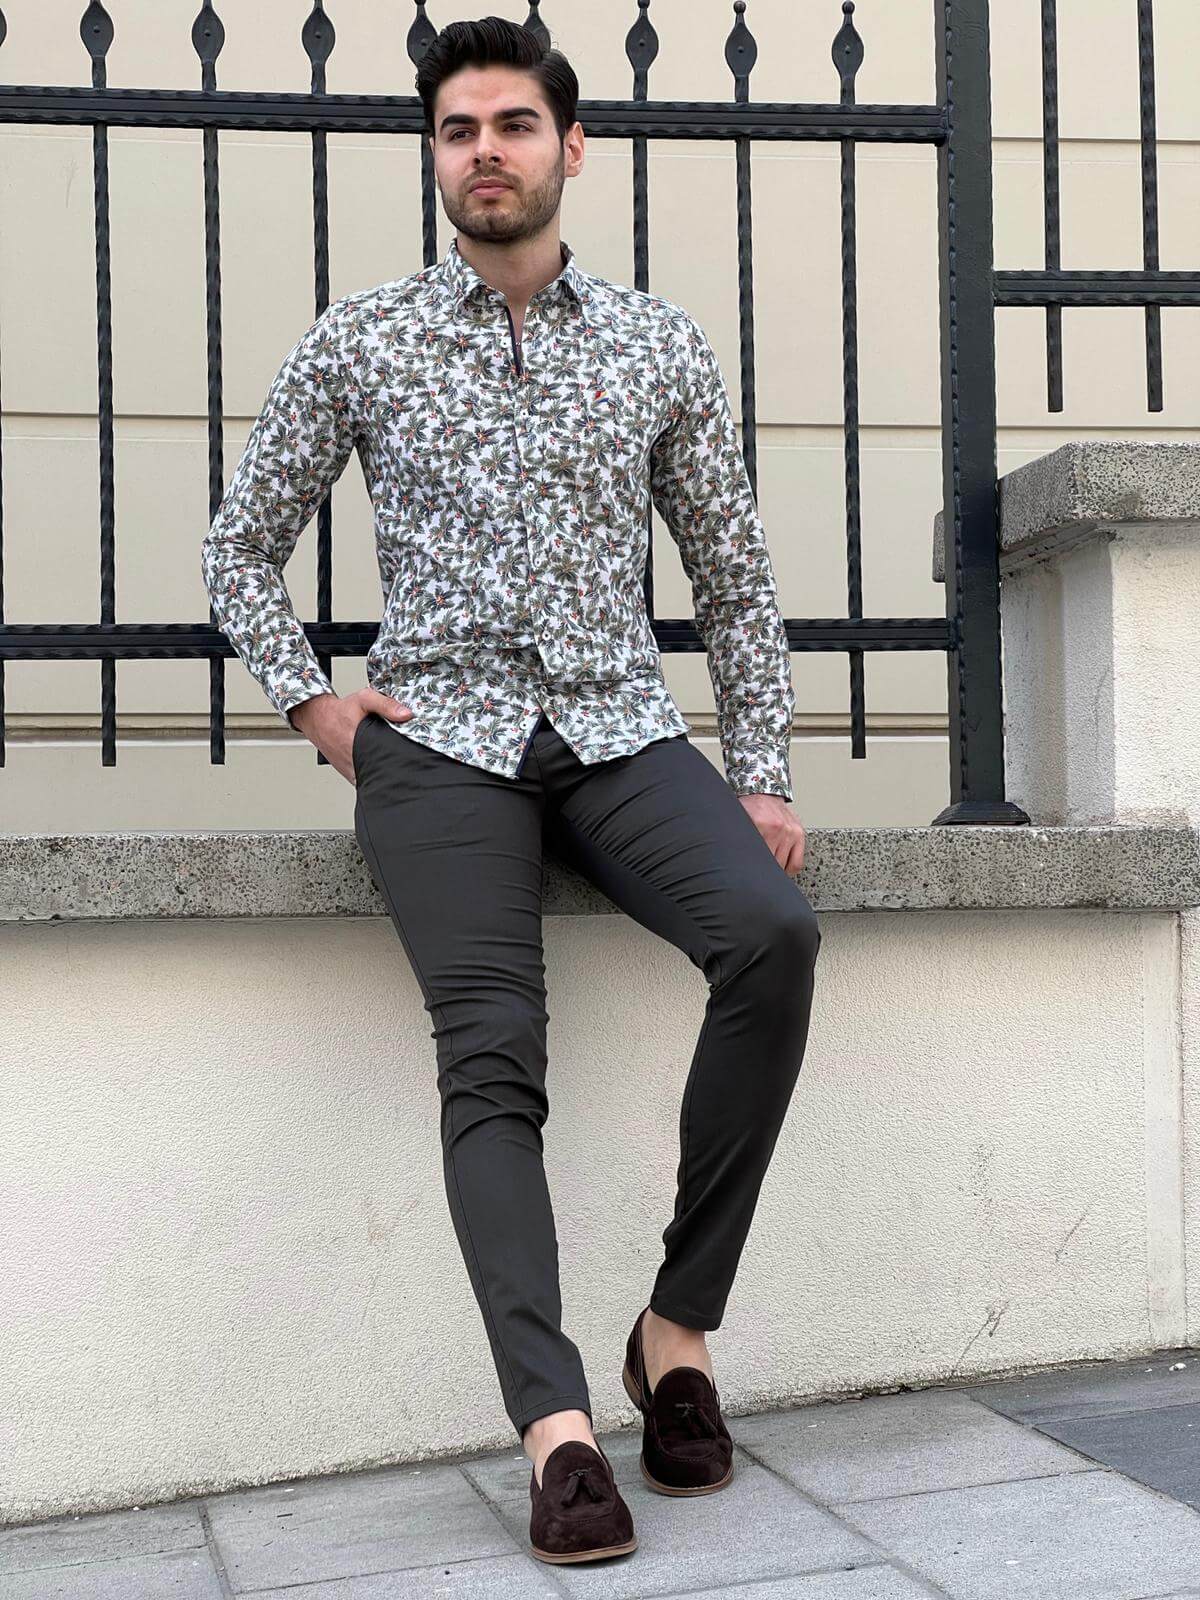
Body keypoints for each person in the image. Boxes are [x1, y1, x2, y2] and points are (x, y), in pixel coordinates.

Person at [201, 13, 821, 1566]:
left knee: (771, 936)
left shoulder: (659, 346)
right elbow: (239, 545)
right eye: (459, 129)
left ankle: (675, 1332)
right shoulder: (362, 338)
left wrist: (759, 773)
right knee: (492, 1053)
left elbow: (735, 577)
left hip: (618, 728)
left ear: (571, 147)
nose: (486, 151)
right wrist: (318, 705)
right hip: (439, 738)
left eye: (514, 125)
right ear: (436, 155)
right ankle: (557, 1431)